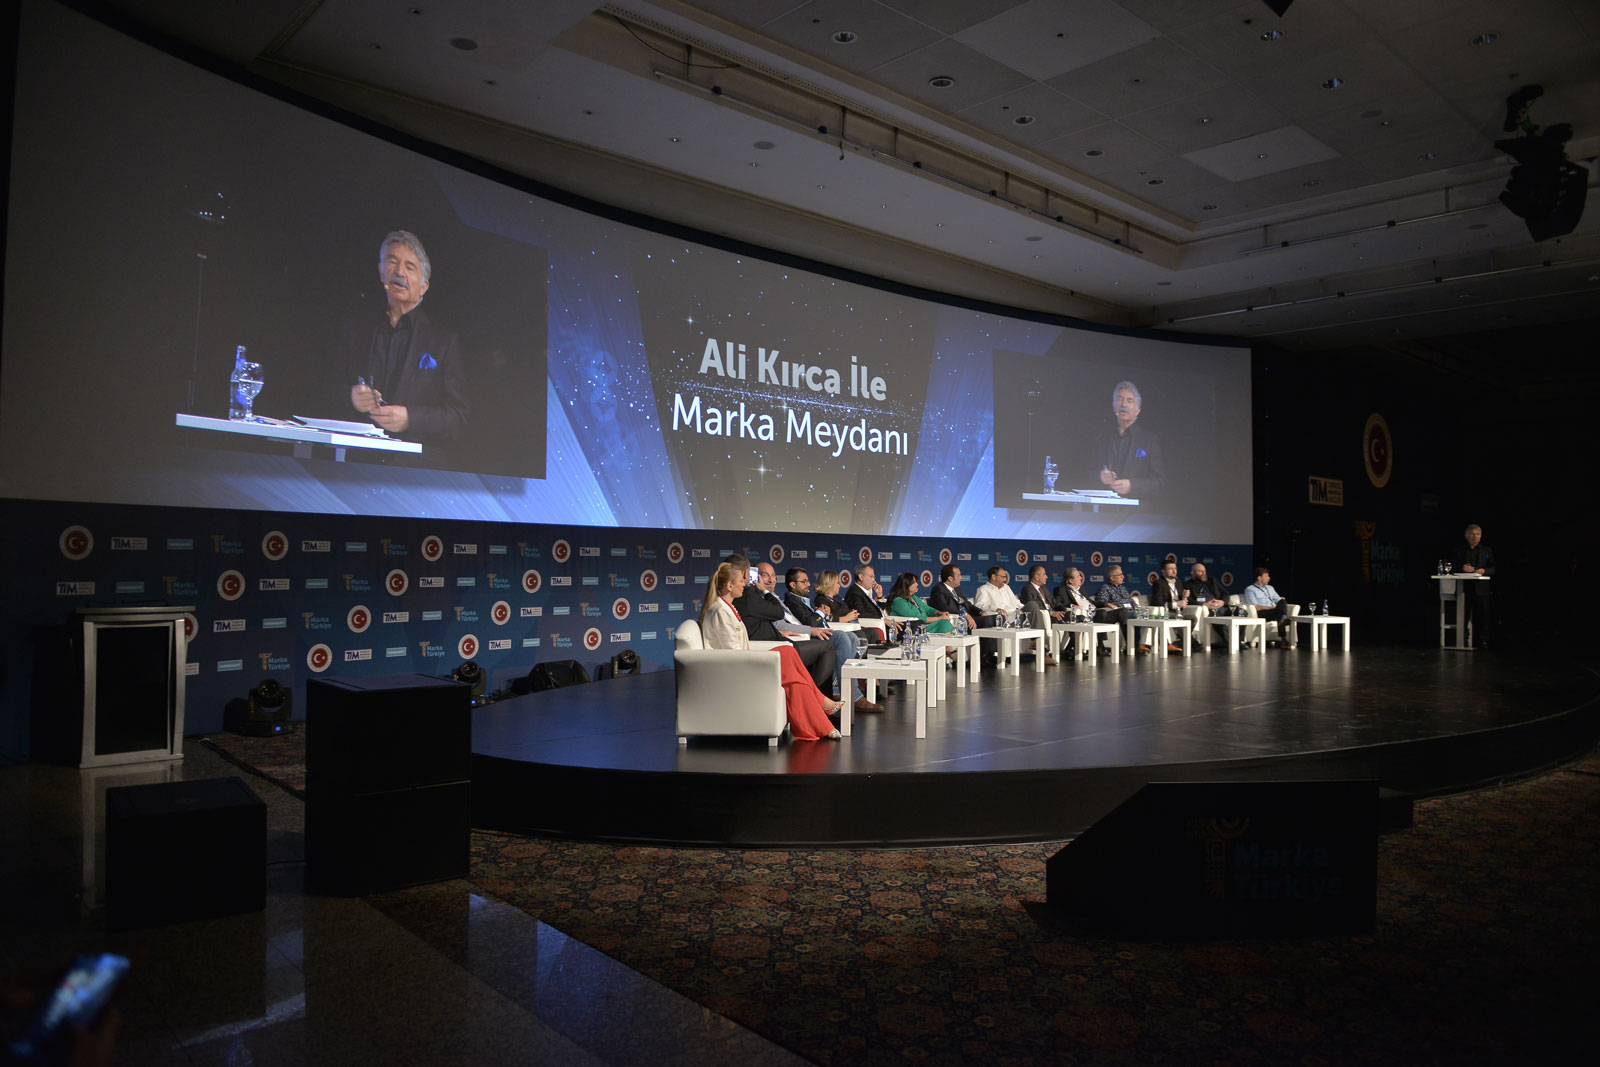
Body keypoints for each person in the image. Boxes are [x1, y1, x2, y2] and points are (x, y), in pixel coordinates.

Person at [335, 230, 468, 443]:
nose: (399, 272)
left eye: (410, 267)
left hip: (413, 459)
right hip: (357, 453)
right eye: (392, 262)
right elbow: (325, 389)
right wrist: (350, 397)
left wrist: (410, 419)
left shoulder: (444, 341)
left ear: (424, 287)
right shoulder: (356, 328)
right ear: (381, 272)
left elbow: (458, 418)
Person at [698, 563, 840, 741]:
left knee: (788, 656)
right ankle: (822, 709)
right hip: (735, 670)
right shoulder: (720, 611)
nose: (745, 584)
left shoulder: (727, 607)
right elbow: (732, 654)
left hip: (742, 662)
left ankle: (821, 720)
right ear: (730, 586)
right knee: (790, 666)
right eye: (742, 581)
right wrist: (763, 659)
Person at [785, 567, 879, 712]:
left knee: (852, 637)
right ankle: (853, 695)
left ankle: (837, 689)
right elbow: (808, 622)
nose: (808, 584)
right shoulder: (792, 601)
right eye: (804, 582)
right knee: (841, 636)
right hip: (809, 637)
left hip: (821, 632)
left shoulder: (806, 599)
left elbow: (817, 619)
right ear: (793, 584)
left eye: (808, 581)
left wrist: (822, 614)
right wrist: (820, 613)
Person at [740, 562, 839, 694]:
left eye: (773, 575)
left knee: (840, 640)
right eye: (765, 575)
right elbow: (779, 614)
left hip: (787, 639)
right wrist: (765, 592)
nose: (771, 580)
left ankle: (818, 697)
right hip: (774, 646)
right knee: (832, 643)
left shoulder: (770, 597)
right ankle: (815, 696)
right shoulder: (755, 598)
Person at [1098, 380, 1164, 500]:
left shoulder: (1149, 441)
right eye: (1120, 399)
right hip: (1105, 506)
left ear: (1137, 411)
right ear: (1114, 405)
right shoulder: (1103, 438)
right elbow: (1085, 472)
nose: (1124, 404)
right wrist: (1100, 477)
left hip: (1136, 509)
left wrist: (1132, 486)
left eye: (1129, 401)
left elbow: (1160, 483)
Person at [1449, 524, 1495, 649]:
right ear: (1466, 535)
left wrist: (1484, 571)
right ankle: (1462, 639)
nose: (1475, 536)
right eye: (1472, 534)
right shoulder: (1459, 551)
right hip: (1464, 588)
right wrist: (1462, 568)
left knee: (1483, 616)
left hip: (1481, 589)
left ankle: (1483, 641)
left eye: (1478, 534)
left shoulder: (1486, 551)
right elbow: (1451, 567)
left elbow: (1493, 568)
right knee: (1462, 615)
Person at [1053, 567, 1107, 657]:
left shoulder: (1081, 590)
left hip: (1092, 612)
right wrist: (1071, 606)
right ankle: (1083, 648)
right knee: (1089, 616)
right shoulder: (1061, 589)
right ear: (1071, 580)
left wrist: (1106, 604)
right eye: (1078, 576)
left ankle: (1099, 646)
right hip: (1079, 614)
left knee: (1103, 613)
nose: (1081, 578)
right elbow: (1057, 604)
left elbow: (1091, 602)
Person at [1093, 565, 1146, 652]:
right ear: (1112, 578)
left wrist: (1139, 609)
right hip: (1118, 613)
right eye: (1120, 575)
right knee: (1130, 614)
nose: (1123, 577)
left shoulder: (1122, 588)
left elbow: (1131, 602)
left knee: (1142, 614)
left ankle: (1138, 645)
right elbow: (1100, 601)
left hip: (1129, 611)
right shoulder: (1105, 588)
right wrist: (1109, 604)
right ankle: (1135, 645)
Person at [1020, 565, 1063, 665]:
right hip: (1041, 615)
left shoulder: (1044, 589)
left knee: (1072, 616)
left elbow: (1054, 602)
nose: (1047, 577)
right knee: (1044, 615)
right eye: (1044, 574)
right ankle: (1043, 654)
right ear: (1036, 577)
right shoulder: (1027, 589)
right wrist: (1049, 612)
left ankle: (1073, 649)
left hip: (1052, 614)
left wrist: (1065, 609)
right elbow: (1032, 606)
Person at [1242, 567, 1294, 648]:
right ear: (1259, 578)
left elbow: (1279, 600)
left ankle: (1283, 619)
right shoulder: (1250, 590)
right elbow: (1256, 607)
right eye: (1266, 576)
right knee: (1280, 612)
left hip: (1274, 611)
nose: (1269, 578)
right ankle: (1283, 639)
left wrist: (1281, 603)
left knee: (1282, 601)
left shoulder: (1270, 588)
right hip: (1261, 613)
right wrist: (1274, 608)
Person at [886, 572, 953, 634]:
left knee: (945, 622)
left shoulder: (913, 597)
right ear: (906, 585)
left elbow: (927, 609)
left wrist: (939, 613)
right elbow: (915, 618)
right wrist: (939, 618)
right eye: (914, 582)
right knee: (944, 623)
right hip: (913, 629)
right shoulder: (898, 601)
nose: (917, 584)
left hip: (924, 625)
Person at [1183, 562, 1229, 648]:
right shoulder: (1187, 584)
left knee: (1242, 612)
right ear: (1193, 573)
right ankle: (1232, 643)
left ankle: (1236, 641)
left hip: (1221, 606)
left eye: (1204, 571)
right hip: (1209, 609)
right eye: (1200, 571)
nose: (1204, 573)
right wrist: (1204, 605)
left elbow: (1225, 593)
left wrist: (1222, 601)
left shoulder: (1212, 581)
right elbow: (1188, 600)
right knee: (1216, 616)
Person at [1147, 560, 1188, 653]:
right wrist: (1176, 604)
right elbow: (1158, 602)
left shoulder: (1179, 583)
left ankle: (1179, 643)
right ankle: (1190, 642)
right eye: (1170, 569)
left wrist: (1185, 597)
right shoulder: (1159, 583)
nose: (1174, 571)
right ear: (1163, 571)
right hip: (1166, 612)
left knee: (1192, 618)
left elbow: (1182, 603)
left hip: (1179, 612)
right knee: (1177, 619)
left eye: (1175, 568)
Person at [927, 564, 981, 631]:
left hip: (968, 618)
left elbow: (967, 604)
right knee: (988, 621)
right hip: (958, 620)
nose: (961, 578)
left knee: (990, 618)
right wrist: (966, 615)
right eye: (958, 575)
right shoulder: (938, 589)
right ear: (950, 578)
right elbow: (945, 609)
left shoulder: (957, 589)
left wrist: (981, 612)